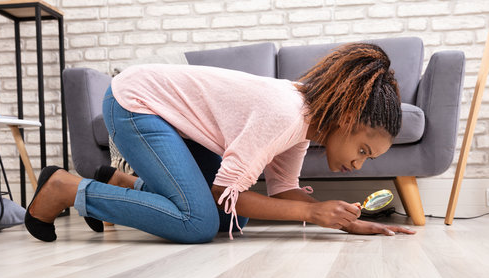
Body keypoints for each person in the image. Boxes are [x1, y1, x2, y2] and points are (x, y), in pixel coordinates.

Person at [25, 42, 415, 243]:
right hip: (137, 103)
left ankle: (121, 185)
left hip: (174, 121)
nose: (359, 164)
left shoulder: (309, 121)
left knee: (234, 219)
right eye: (363, 151)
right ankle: (67, 188)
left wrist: (342, 220)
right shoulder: (285, 114)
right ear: (346, 120)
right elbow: (222, 193)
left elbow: (282, 191)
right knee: (197, 223)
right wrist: (314, 215)